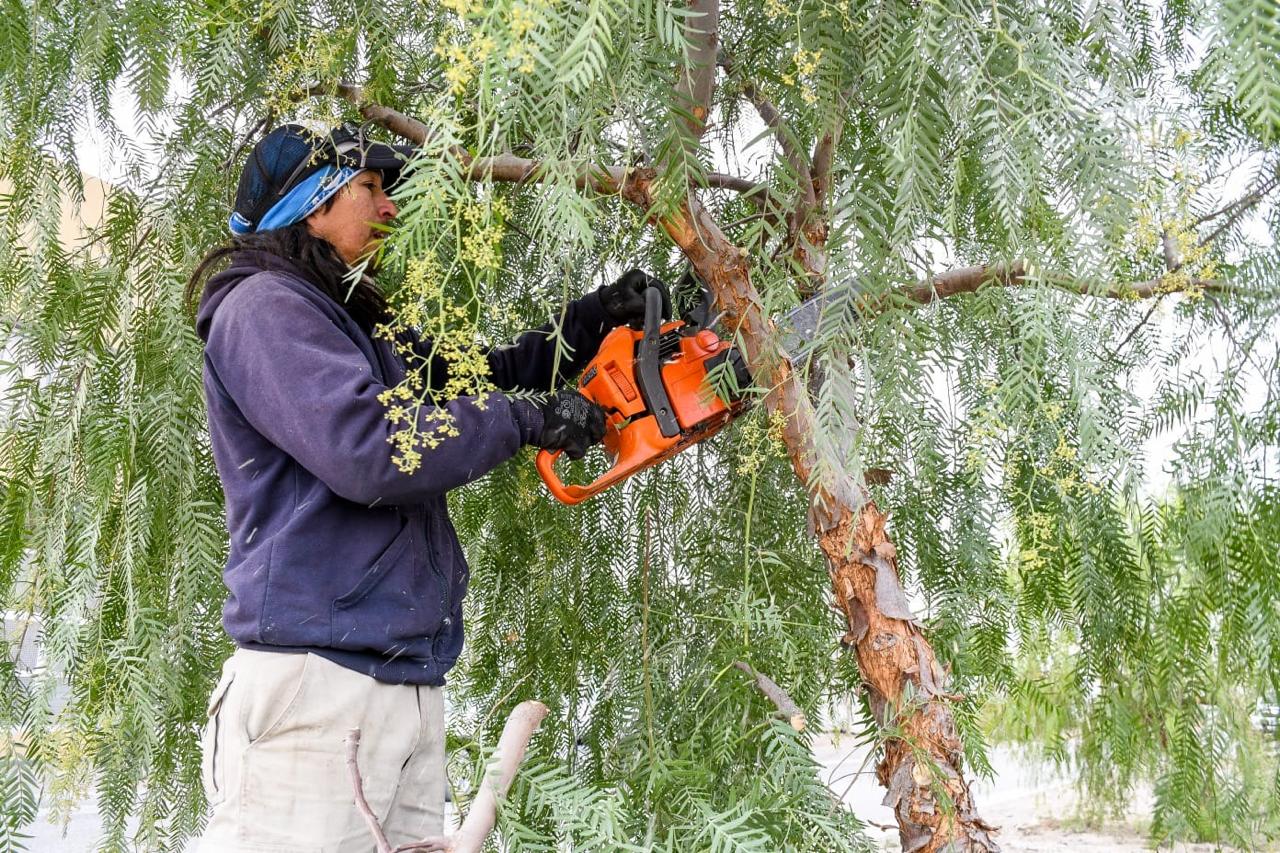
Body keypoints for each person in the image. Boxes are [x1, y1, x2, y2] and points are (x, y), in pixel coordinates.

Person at [186, 123, 670, 851]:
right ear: (313, 207)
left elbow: (485, 375)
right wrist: (528, 421)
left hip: (396, 682)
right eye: (370, 189)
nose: (390, 208)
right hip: (316, 689)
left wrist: (595, 315)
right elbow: (371, 449)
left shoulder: (353, 329)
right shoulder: (262, 310)